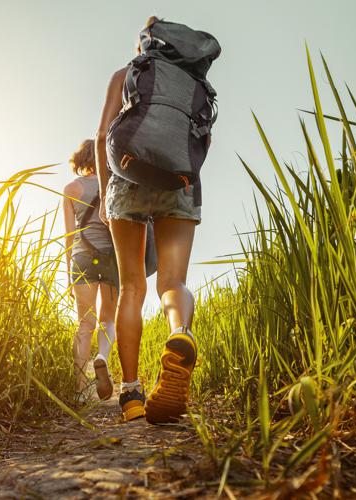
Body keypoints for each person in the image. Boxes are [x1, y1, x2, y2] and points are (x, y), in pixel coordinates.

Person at [95, 16, 211, 423]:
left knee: (131, 288)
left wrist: (109, 197)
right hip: (179, 181)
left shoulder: (127, 73)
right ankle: (181, 333)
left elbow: (102, 136)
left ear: (145, 42)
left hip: (126, 178)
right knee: (173, 282)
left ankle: (130, 394)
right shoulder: (192, 83)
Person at [62, 139, 119, 403]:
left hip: (81, 259)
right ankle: (102, 357)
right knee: (108, 319)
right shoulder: (114, 185)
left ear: (80, 160)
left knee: (85, 324)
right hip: (110, 257)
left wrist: (67, 272)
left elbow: (69, 236)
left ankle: (81, 390)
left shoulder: (71, 189)